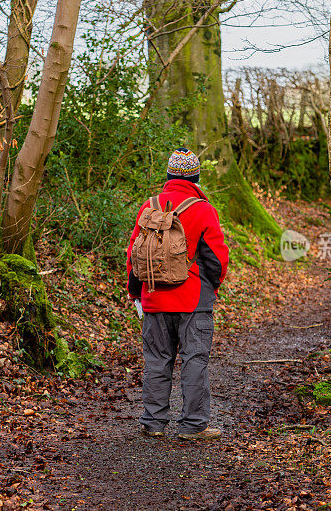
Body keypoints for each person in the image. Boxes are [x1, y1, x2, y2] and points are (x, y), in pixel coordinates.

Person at [126, 147, 229, 440]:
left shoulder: (149, 206)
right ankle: (193, 425)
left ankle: (153, 422)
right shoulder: (202, 209)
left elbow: (134, 254)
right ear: (196, 176)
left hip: (154, 296)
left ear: (169, 175)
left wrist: (137, 293)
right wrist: (211, 287)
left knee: (157, 359)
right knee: (194, 359)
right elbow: (217, 259)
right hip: (193, 298)